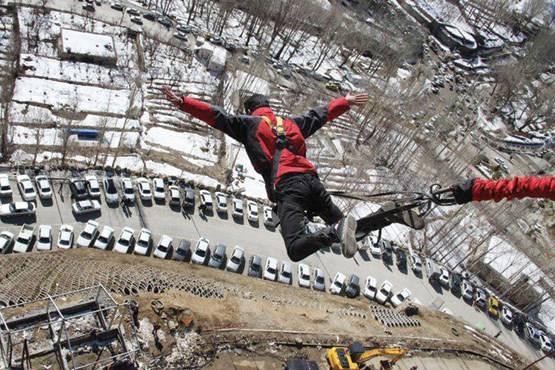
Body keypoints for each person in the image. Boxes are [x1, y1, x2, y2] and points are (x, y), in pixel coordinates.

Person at [162, 85, 368, 261]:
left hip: (290, 188)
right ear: (268, 107)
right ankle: (367, 222)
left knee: (296, 249)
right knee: (346, 230)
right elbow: (320, 115)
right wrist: (345, 101)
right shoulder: (291, 123)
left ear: (251, 110)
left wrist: (182, 101)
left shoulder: (250, 124)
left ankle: (335, 229)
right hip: (313, 183)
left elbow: (216, 115)